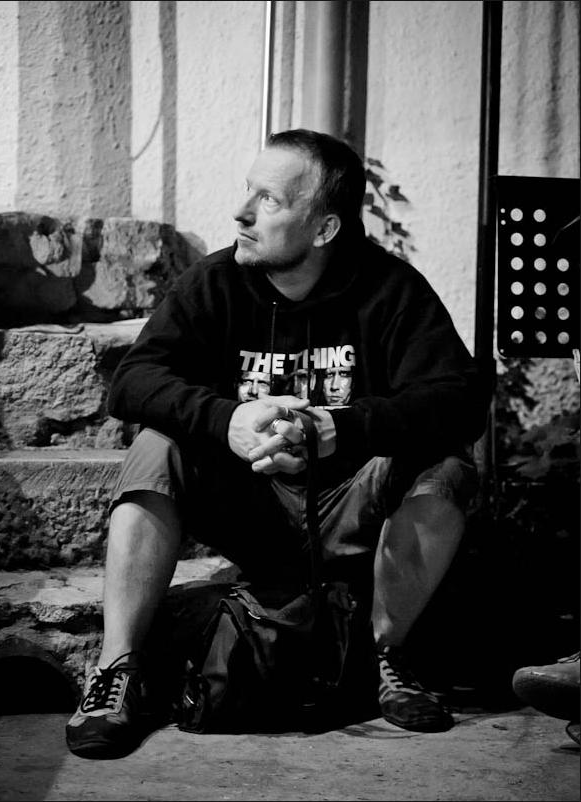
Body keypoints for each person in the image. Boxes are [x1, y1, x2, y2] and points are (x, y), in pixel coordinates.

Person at [66, 128, 488, 759]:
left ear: (324, 228)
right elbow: (132, 382)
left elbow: (459, 397)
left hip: (350, 509)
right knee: (156, 447)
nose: (241, 212)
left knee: (447, 465)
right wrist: (228, 421)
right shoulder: (215, 283)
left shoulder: (389, 289)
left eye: (267, 200)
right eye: (248, 191)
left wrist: (340, 428)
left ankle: (388, 657)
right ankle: (115, 671)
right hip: (253, 507)